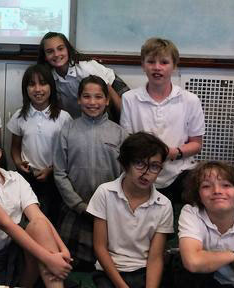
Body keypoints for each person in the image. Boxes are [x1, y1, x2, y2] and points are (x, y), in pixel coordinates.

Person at [0, 127, 72, 287]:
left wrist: (63, 250)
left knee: (38, 225)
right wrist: (48, 259)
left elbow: (39, 217)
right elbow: (7, 225)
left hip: (16, 251)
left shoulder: (15, 178)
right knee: (45, 253)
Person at [53, 75, 125, 270]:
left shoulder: (119, 133)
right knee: (72, 266)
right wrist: (77, 204)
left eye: (98, 97)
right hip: (75, 209)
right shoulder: (68, 131)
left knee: (107, 265)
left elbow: (126, 176)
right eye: (86, 96)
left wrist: (112, 204)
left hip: (111, 211)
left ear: (107, 100)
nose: (92, 102)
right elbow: (59, 173)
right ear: (78, 99)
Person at [120, 37, 205, 202]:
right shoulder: (129, 99)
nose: (157, 67)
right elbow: (127, 142)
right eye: (151, 61)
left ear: (174, 66)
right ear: (143, 65)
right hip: (141, 173)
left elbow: (196, 144)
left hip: (180, 173)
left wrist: (174, 153)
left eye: (164, 62)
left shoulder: (190, 100)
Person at [87, 132, 174, 288]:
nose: (146, 173)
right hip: (110, 271)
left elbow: (155, 258)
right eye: (140, 163)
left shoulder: (164, 204)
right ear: (126, 164)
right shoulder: (105, 193)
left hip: (144, 270)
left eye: (154, 166)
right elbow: (100, 246)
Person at [8, 64, 71, 221]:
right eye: (31, 84)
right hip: (27, 177)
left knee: (51, 218)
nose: (37, 89)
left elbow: (68, 153)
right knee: (27, 219)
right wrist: (18, 163)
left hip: (54, 178)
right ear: (25, 89)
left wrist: (51, 169)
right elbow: (15, 147)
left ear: (51, 86)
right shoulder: (19, 116)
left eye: (43, 83)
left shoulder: (64, 118)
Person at [37, 32, 129, 120]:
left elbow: (110, 91)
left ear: (68, 50)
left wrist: (126, 118)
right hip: (91, 95)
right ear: (45, 56)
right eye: (50, 51)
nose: (56, 54)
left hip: (112, 86)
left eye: (60, 49)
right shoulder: (49, 76)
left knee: (119, 115)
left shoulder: (85, 68)